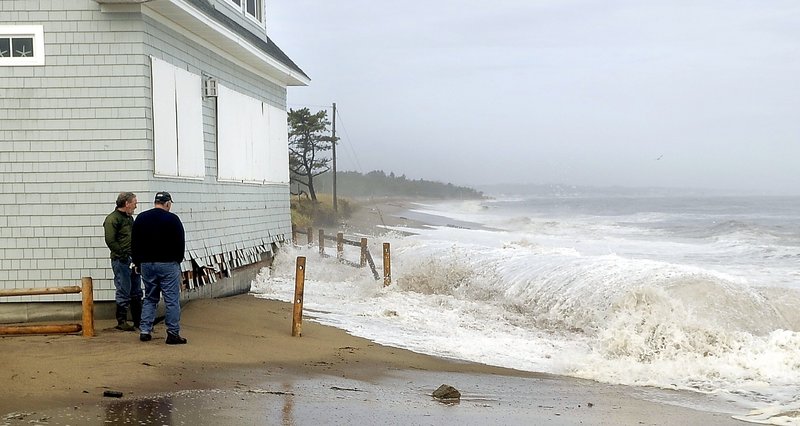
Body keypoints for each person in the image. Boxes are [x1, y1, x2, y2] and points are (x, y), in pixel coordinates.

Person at [131, 191, 187, 344]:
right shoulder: (173, 220)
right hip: (168, 264)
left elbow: (134, 243)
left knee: (150, 297)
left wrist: (137, 263)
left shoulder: (141, 218)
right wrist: (177, 260)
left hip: (147, 264)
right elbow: (180, 243)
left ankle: (145, 330)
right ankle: (172, 333)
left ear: (155, 202)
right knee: (171, 300)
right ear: (167, 203)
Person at [103, 192, 143, 332]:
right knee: (124, 289)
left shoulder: (129, 218)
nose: (136, 206)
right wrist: (123, 255)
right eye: (134, 203)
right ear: (127, 203)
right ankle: (122, 321)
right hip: (121, 260)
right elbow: (110, 240)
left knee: (136, 290)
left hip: (133, 260)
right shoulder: (112, 220)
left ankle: (138, 320)